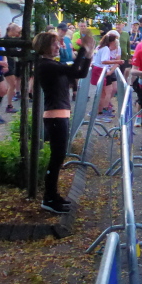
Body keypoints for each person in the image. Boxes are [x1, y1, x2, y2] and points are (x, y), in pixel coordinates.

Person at [33, 30, 94, 213]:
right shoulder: (45, 65)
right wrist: (83, 49)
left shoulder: (53, 64)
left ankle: (53, 195)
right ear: (44, 46)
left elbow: (80, 73)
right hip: (55, 115)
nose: (58, 47)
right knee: (56, 158)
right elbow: (74, 70)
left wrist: (88, 55)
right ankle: (49, 198)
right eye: (54, 44)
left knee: (59, 157)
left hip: (61, 114)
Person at [91, 33, 122, 121]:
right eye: (115, 41)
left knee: (104, 93)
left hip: (100, 70)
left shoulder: (101, 47)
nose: (116, 43)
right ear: (111, 42)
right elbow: (104, 61)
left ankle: (100, 112)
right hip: (101, 70)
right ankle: (101, 112)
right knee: (107, 92)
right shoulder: (105, 49)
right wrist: (117, 62)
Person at [3, 23, 22, 113]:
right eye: (17, 32)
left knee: (11, 85)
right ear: (12, 31)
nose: (18, 34)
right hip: (8, 64)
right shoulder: (6, 41)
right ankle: (9, 105)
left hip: (11, 63)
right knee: (12, 85)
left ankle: (8, 103)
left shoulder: (11, 40)